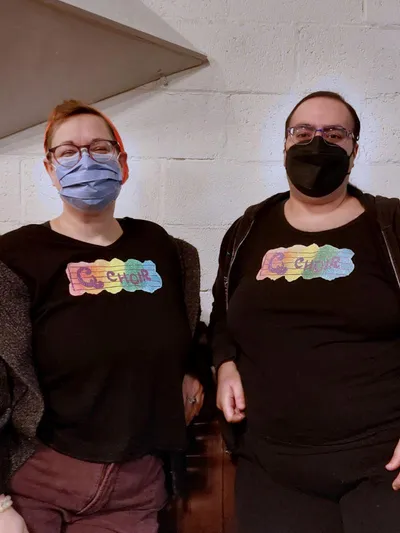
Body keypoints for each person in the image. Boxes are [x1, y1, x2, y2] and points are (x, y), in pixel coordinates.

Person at [0, 100, 205, 533]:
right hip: (38, 479)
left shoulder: (165, 251)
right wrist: (0, 507)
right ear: (50, 168)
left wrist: (196, 370)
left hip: (133, 487)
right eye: (69, 152)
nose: (86, 160)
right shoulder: (14, 258)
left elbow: (186, 335)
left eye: (99, 148)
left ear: (122, 161)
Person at [210, 91, 400, 533]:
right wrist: (224, 364)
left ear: (354, 150)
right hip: (273, 469)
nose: (317, 143)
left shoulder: (390, 226)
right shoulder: (248, 230)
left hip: (382, 467)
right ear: (283, 146)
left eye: (334, 134)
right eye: (303, 132)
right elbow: (222, 312)